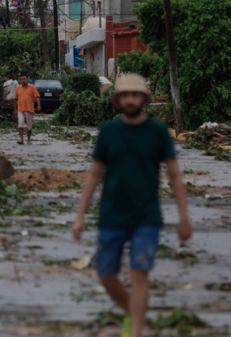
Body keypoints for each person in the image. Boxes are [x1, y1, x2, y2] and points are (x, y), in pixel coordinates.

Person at [72, 74, 192, 337]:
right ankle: (134, 313)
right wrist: (79, 216)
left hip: (146, 217)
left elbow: (174, 175)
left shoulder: (157, 132)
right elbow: (93, 175)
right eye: (125, 95)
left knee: (140, 275)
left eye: (134, 95)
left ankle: (135, 332)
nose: (129, 99)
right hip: (111, 215)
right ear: (118, 99)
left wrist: (184, 217)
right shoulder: (108, 131)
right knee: (105, 274)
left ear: (143, 99)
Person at [14, 72, 40, 145]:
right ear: (20, 80)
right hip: (20, 109)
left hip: (29, 109)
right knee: (20, 123)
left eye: (25, 79)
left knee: (29, 125)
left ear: (27, 79)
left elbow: (37, 96)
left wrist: (39, 105)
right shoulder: (18, 88)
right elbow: (15, 99)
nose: (23, 80)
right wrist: (15, 110)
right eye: (22, 79)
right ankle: (21, 139)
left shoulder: (32, 87)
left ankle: (28, 139)